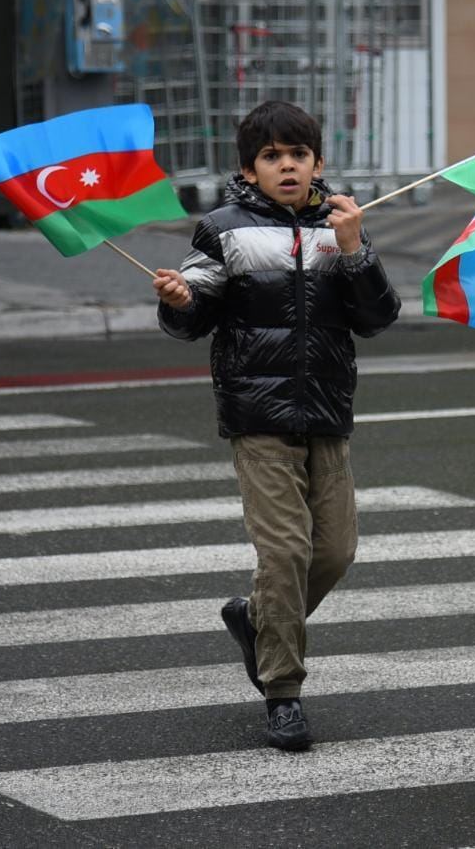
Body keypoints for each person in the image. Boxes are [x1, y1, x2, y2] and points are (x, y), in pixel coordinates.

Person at [154, 99, 401, 751]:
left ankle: (255, 619)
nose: (286, 165)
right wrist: (180, 300)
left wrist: (354, 251)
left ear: (317, 163)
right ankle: (283, 692)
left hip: (326, 409)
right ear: (249, 169)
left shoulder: (339, 224)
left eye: (298, 154)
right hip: (256, 413)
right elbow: (195, 310)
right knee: (286, 551)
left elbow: (377, 317)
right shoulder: (225, 228)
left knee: (336, 550)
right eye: (272, 156)